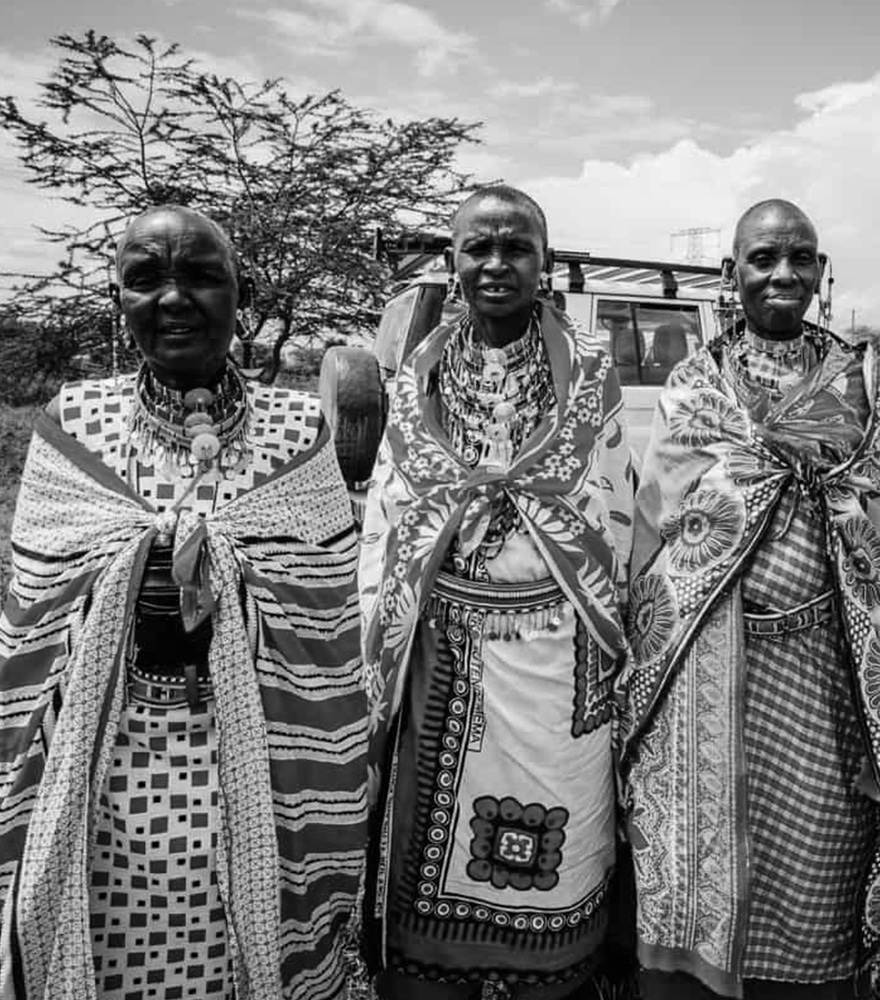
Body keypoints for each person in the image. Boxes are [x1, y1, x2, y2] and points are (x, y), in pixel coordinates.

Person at [0, 205, 369, 998]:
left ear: (243, 290)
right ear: (120, 299)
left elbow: (330, 612)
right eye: (146, 279)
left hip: (268, 765)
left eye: (201, 276)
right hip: (107, 764)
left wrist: (222, 571)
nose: (173, 299)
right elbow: (33, 604)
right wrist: (136, 569)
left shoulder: (298, 427)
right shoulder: (76, 421)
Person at [618, 198, 880, 999]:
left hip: (826, 676)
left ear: (822, 275)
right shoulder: (695, 388)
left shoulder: (854, 390)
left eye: (801, 259)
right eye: (764, 258)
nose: (783, 274)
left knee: (816, 857)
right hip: (704, 677)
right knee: (703, 849)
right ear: (732, 274)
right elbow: (653, 532)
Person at [359, 185, 635, 999]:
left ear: (543, 264)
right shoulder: (419, 376)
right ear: (453, 260)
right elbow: (393, 506)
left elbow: (610, 511)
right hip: (443, 644)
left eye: (516, 248)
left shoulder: (589, 371)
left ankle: (554, 973)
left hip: (561, 651)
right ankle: (430, 970)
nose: (495, 264)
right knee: (428, 851)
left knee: (566, 825)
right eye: (478, 247)